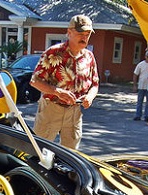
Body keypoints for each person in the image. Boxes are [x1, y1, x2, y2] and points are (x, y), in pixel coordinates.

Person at [29, 15, 99, 150]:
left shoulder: (89, 57)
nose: (84, 37)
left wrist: (90, 97)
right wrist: (58, 92)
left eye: (87, 34)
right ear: (69, 32)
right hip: (51, 109)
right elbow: (35, 81)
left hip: (74, 113)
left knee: (71, 156)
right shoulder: (54, 53)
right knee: (38, 151)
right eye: (80, 34)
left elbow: (94, 84)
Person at [132, 50, 148, 121]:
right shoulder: (140, 64)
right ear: (145, 57)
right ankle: (138, 115)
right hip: (141, 86)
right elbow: (135, 74)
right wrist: (135, 85)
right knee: (139, 101)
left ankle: (147, 116)